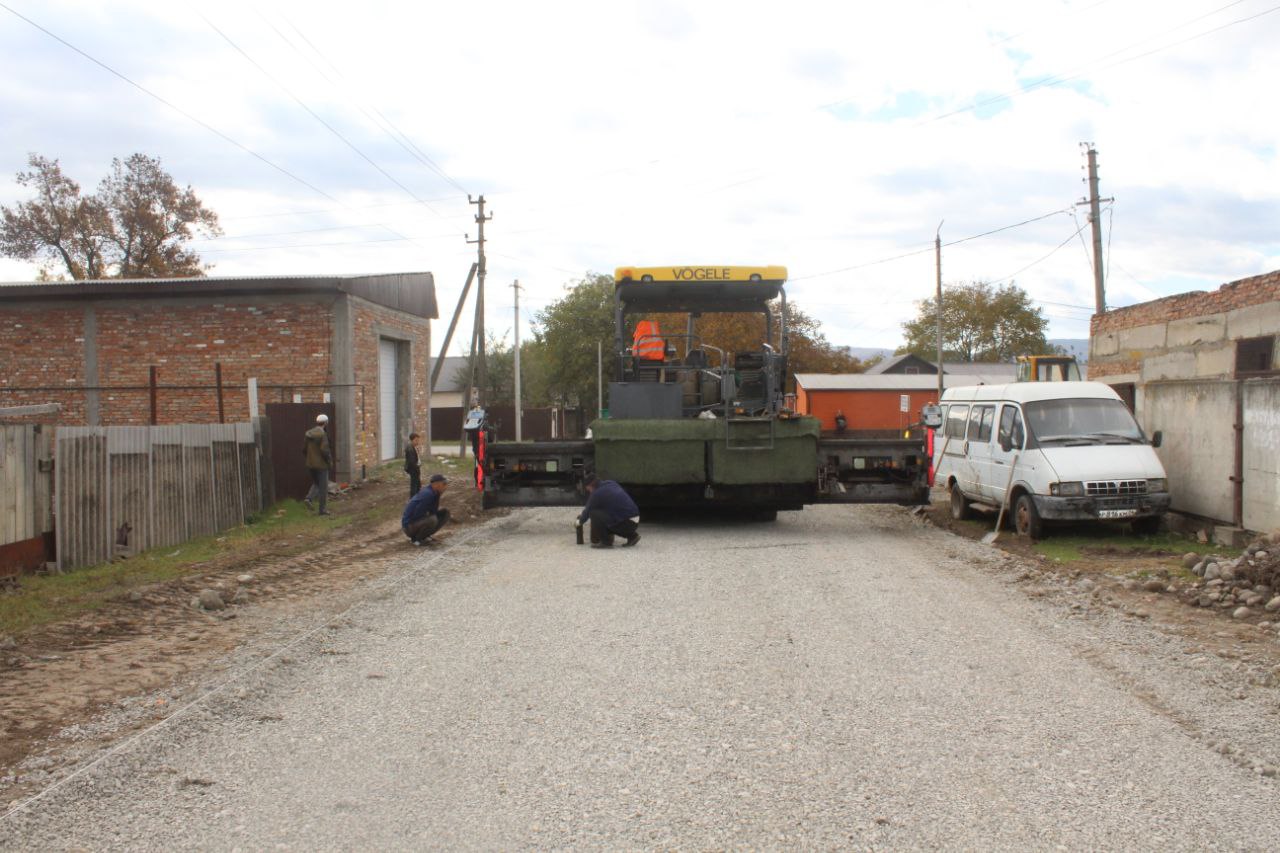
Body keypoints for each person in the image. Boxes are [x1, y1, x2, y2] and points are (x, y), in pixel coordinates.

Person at [576, 474, 640, 549]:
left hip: (626, 524)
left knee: (594, 513)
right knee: (609, 514)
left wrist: (578, 522)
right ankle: (633, 536)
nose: (589, 491)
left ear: (591, 485)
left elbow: (587, 512)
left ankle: (606, 542)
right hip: (635, 520)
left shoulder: (596, 494)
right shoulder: (611, 483)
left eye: (588, 489)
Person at [403, 473, 450, 545]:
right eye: (444, 484)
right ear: (437, 484)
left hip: (416, 523)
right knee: (432, 519)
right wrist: (427, 517)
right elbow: (416, 514)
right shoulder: (427, 494)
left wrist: (439, 495)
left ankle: (425, 536)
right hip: (409, 526)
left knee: (445, 513)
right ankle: (417, 540)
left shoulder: (435, 493)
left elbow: (433, 511)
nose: (446, 486)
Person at [303, 413, 332, 516]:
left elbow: (304, 449)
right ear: (325, 423)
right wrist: (329, 462)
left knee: (316, 483)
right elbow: (325, 450)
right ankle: (322, 510)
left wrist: (309, 459)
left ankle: (308, 498)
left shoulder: (308, 434)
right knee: (323, 487)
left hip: (310, 464)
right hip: (321, 465)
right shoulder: (322, 434)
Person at [404, 432, 422, 498]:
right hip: (413, 469)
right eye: (416, 440)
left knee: (417, 484)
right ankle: (413, 499)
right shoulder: (410, 449)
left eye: (418, 440)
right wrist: (417, 467)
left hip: (415, 468)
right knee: (414, 485)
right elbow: (412, 462)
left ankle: (417, 497)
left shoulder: (413, 447)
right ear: (412, 440)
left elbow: (416, 457)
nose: (418, 442)